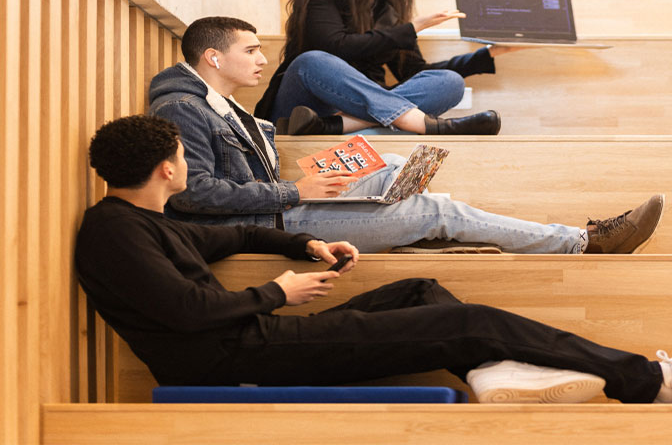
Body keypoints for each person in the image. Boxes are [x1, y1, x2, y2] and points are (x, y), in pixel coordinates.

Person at [75, 114, 672, 404]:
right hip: (238, 361)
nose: (188, 165)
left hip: (254, 341)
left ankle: (493, 372)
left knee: (419, 289)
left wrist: (304, 244)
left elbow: (228, 239)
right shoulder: (114, 233)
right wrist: (280, 292)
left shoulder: (146, 220)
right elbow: (185, 310)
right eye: (184, 157)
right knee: (471, 320)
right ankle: (646, 380)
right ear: (168, 169)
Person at [148, 16, 665, 255]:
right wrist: (294, 190)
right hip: (272, 222)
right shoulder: (183, 108)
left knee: (392, 163)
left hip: (281, 205)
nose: (263, 59)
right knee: (439, 209)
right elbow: (192, 195)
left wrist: (319, 173)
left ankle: (409, 228)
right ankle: (581, 242)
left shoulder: (222, 105)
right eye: (251, 50)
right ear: (214, 57)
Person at [254, 0, 515, 136]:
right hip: (304, 106)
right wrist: (411, 29)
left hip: (329, 119)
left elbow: (413, 72)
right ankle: (420, 124)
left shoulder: (391, 6)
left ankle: (336, 126)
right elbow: (334, 46)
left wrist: (489, 54)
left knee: (450, 82)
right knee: (311, 61)